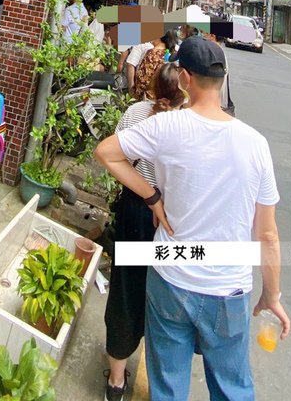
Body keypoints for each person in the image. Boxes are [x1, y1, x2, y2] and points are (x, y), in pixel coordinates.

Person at [95, 35, 290, 401]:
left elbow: (106, 152)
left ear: (185, 77)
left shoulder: (167, 125)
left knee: (168, 384)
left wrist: (152, 197)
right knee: (232, 388)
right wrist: (272, 295)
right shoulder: (256, 144)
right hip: (229, 289)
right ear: (222, 79)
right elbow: (268, 236)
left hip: (171, 278)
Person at [103, 63, 188, 401]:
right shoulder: (185, 126)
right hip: (166, 218)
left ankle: (116, 380)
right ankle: (163, 383)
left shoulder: (135, 112)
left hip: (133, 210)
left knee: (125, 288)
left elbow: (115, 159)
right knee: (164, 297)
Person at [131, 31, 176, 100]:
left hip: (150, 99)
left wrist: (136, 94)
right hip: (167, 99)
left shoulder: (152, 53)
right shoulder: (173, 54)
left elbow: (143, 79)